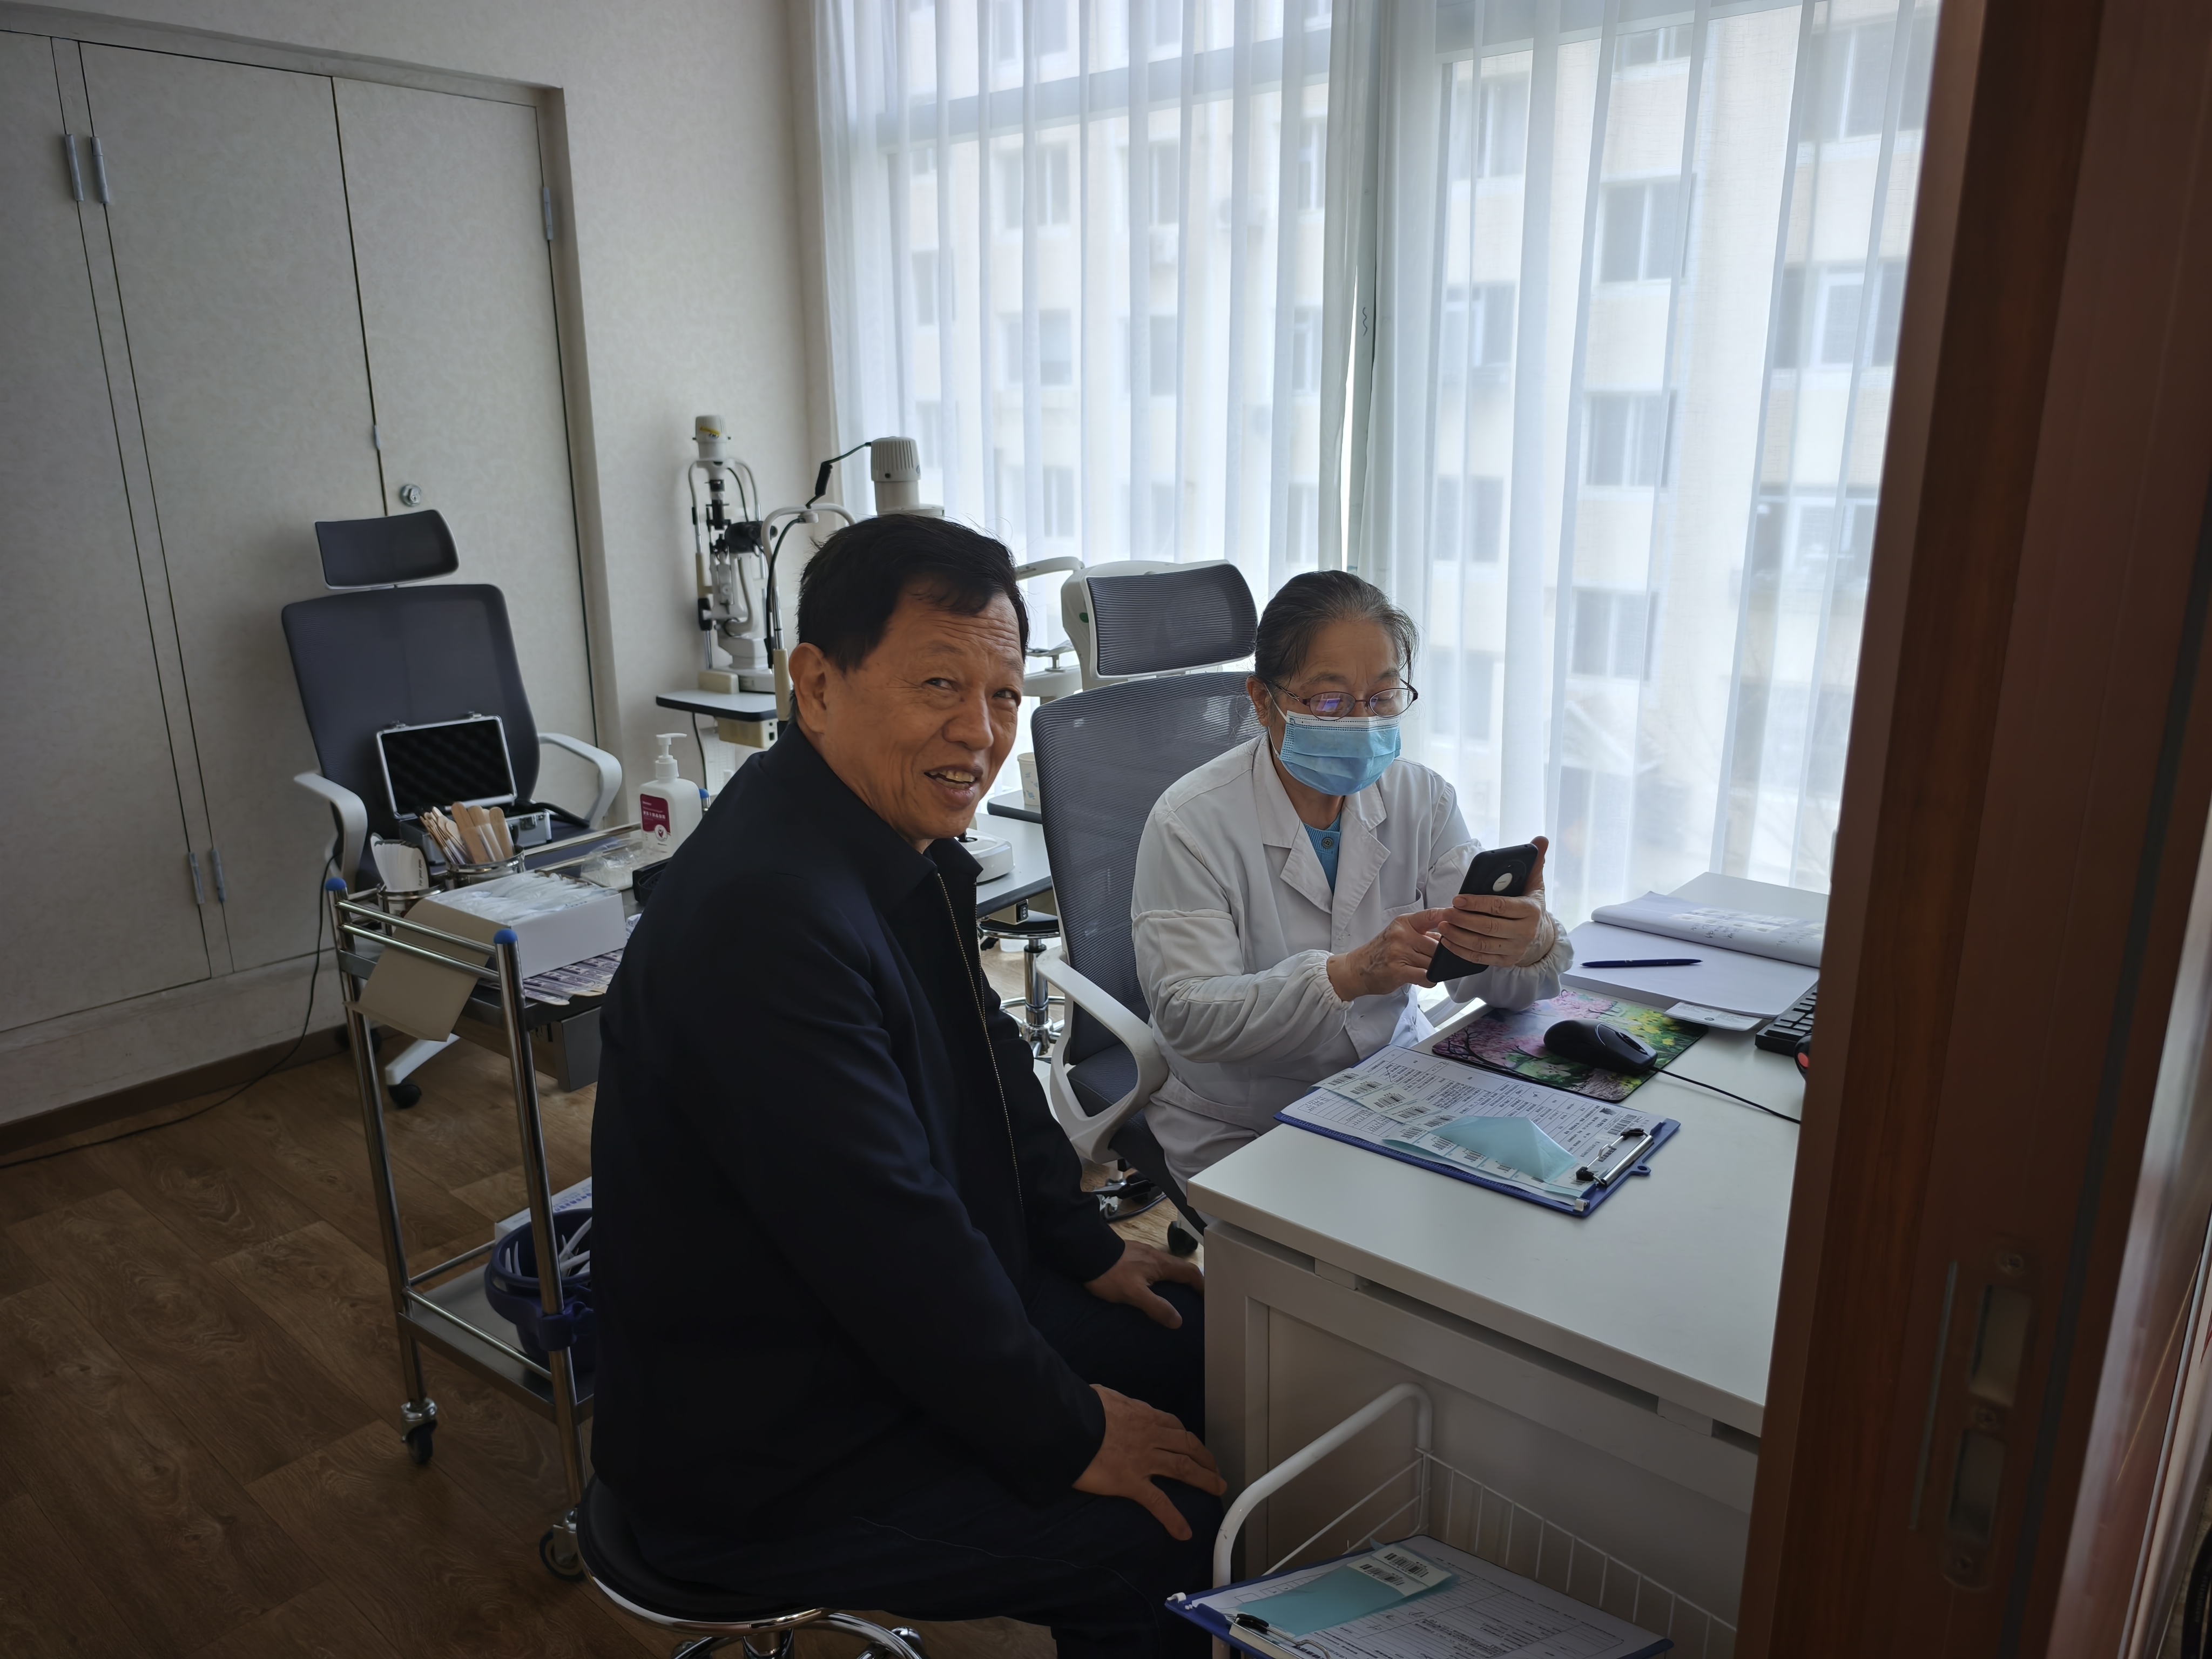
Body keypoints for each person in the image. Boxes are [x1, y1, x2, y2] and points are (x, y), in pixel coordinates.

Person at [590, 515, 1224, 1659]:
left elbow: (990, 1059)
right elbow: (884, 1236)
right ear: (815, 685)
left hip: (887, 1340)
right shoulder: (763, 919)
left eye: (1004, 695)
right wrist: (1067, 1428)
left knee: (1207, 1347)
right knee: (1164, 1531)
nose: (979, 732)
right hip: (780, 1447)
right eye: (939, 683)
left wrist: (1078, 1243)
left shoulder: (880, 842)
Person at [1131, 570, 1571, 1189]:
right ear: (1262, 700)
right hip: (1246, 1120)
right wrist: (1348, 976)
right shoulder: (1190, 822)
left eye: (1382, 697)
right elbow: (1188, 1017)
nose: (1361, 724)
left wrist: (1527, 942)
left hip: (1394, 1085)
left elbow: (1488, 981)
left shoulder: (1422, 799)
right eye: (1329, 701)